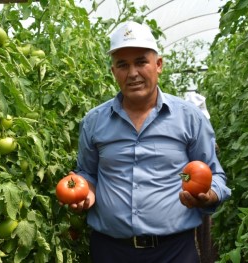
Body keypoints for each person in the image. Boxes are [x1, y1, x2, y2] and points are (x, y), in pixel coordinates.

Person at [67, 21, 231, 263]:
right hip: (111, 251)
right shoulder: (94, 122)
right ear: (113, 72)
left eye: (141, 62)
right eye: (122, 65)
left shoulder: (189, 118)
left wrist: (209, 195)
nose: (132, 73)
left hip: (174, 251)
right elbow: (88, 173)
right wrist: (86, 194)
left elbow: (215, 175)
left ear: (159, 65)